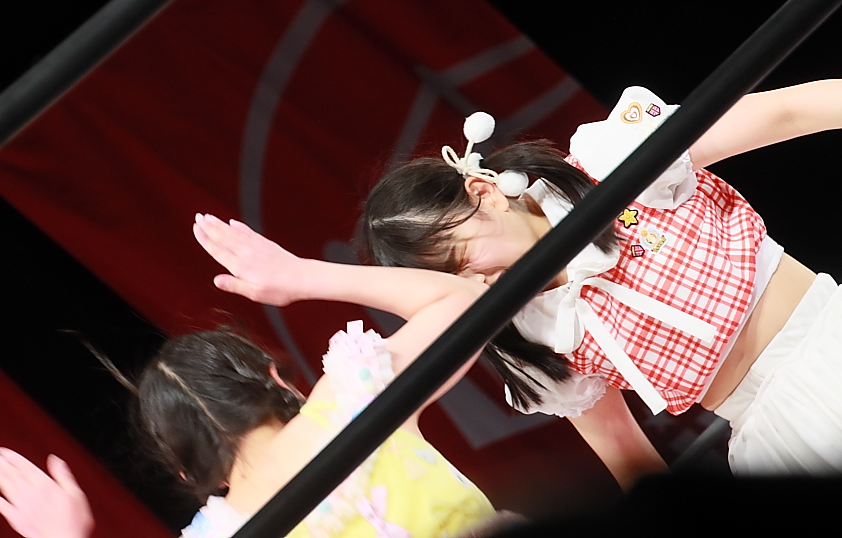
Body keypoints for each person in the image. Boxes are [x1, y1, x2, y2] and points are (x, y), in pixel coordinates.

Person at [358, 79, 841, 486]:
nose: (475, 281)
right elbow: (622, 447)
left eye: (462, 257)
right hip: (776, 432)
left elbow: (785, 112)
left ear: (484, 193)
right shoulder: (527, 334)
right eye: (452, 280)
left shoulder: (607, 164)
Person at [0, 213, 522, 538]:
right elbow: (465, 302)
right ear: (275, 378)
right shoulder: (353, 393)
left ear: (185, 472)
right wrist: (302, 276)